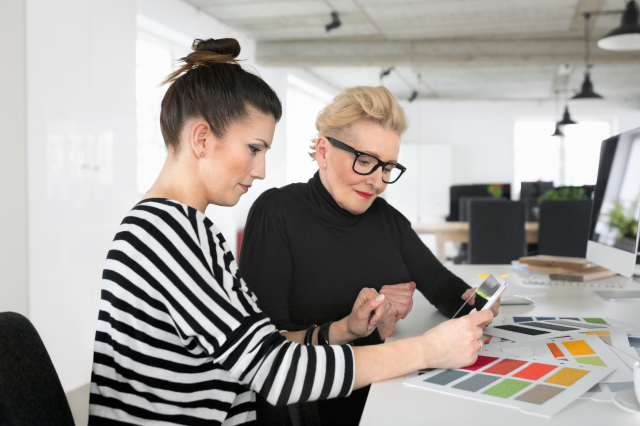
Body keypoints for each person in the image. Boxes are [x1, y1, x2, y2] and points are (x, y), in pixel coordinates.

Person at [88, 38, 494, 426]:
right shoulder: (163, 237)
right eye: (254, 148)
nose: (261, 170)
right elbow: (276, 372)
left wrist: (345, 330)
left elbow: (267, 348)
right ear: (202, 138)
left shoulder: (188, 231)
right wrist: (426, 349)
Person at [239, 85, 501, 425]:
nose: (377, 181)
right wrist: (352, 327)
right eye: (365, 161)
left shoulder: (386, 219)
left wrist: (477, 303)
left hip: (391, 391)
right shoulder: (277, 213)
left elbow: (442, 286)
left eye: (387, 167)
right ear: (323, 151)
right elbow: (268, 351)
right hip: (321, 406)